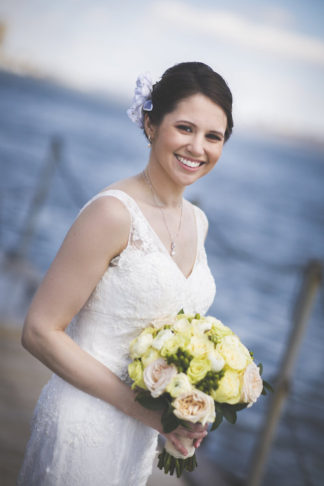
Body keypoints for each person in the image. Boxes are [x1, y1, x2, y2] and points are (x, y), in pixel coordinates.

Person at [18, 61, 233, 485]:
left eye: (214, 136)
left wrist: (184, 404)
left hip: (139, 438)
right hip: (82, 423)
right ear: (151, 124)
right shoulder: (112, 213)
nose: (198, 147)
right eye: (185, 128)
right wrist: (144, 411)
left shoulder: (198, 221)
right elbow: (40, 331)